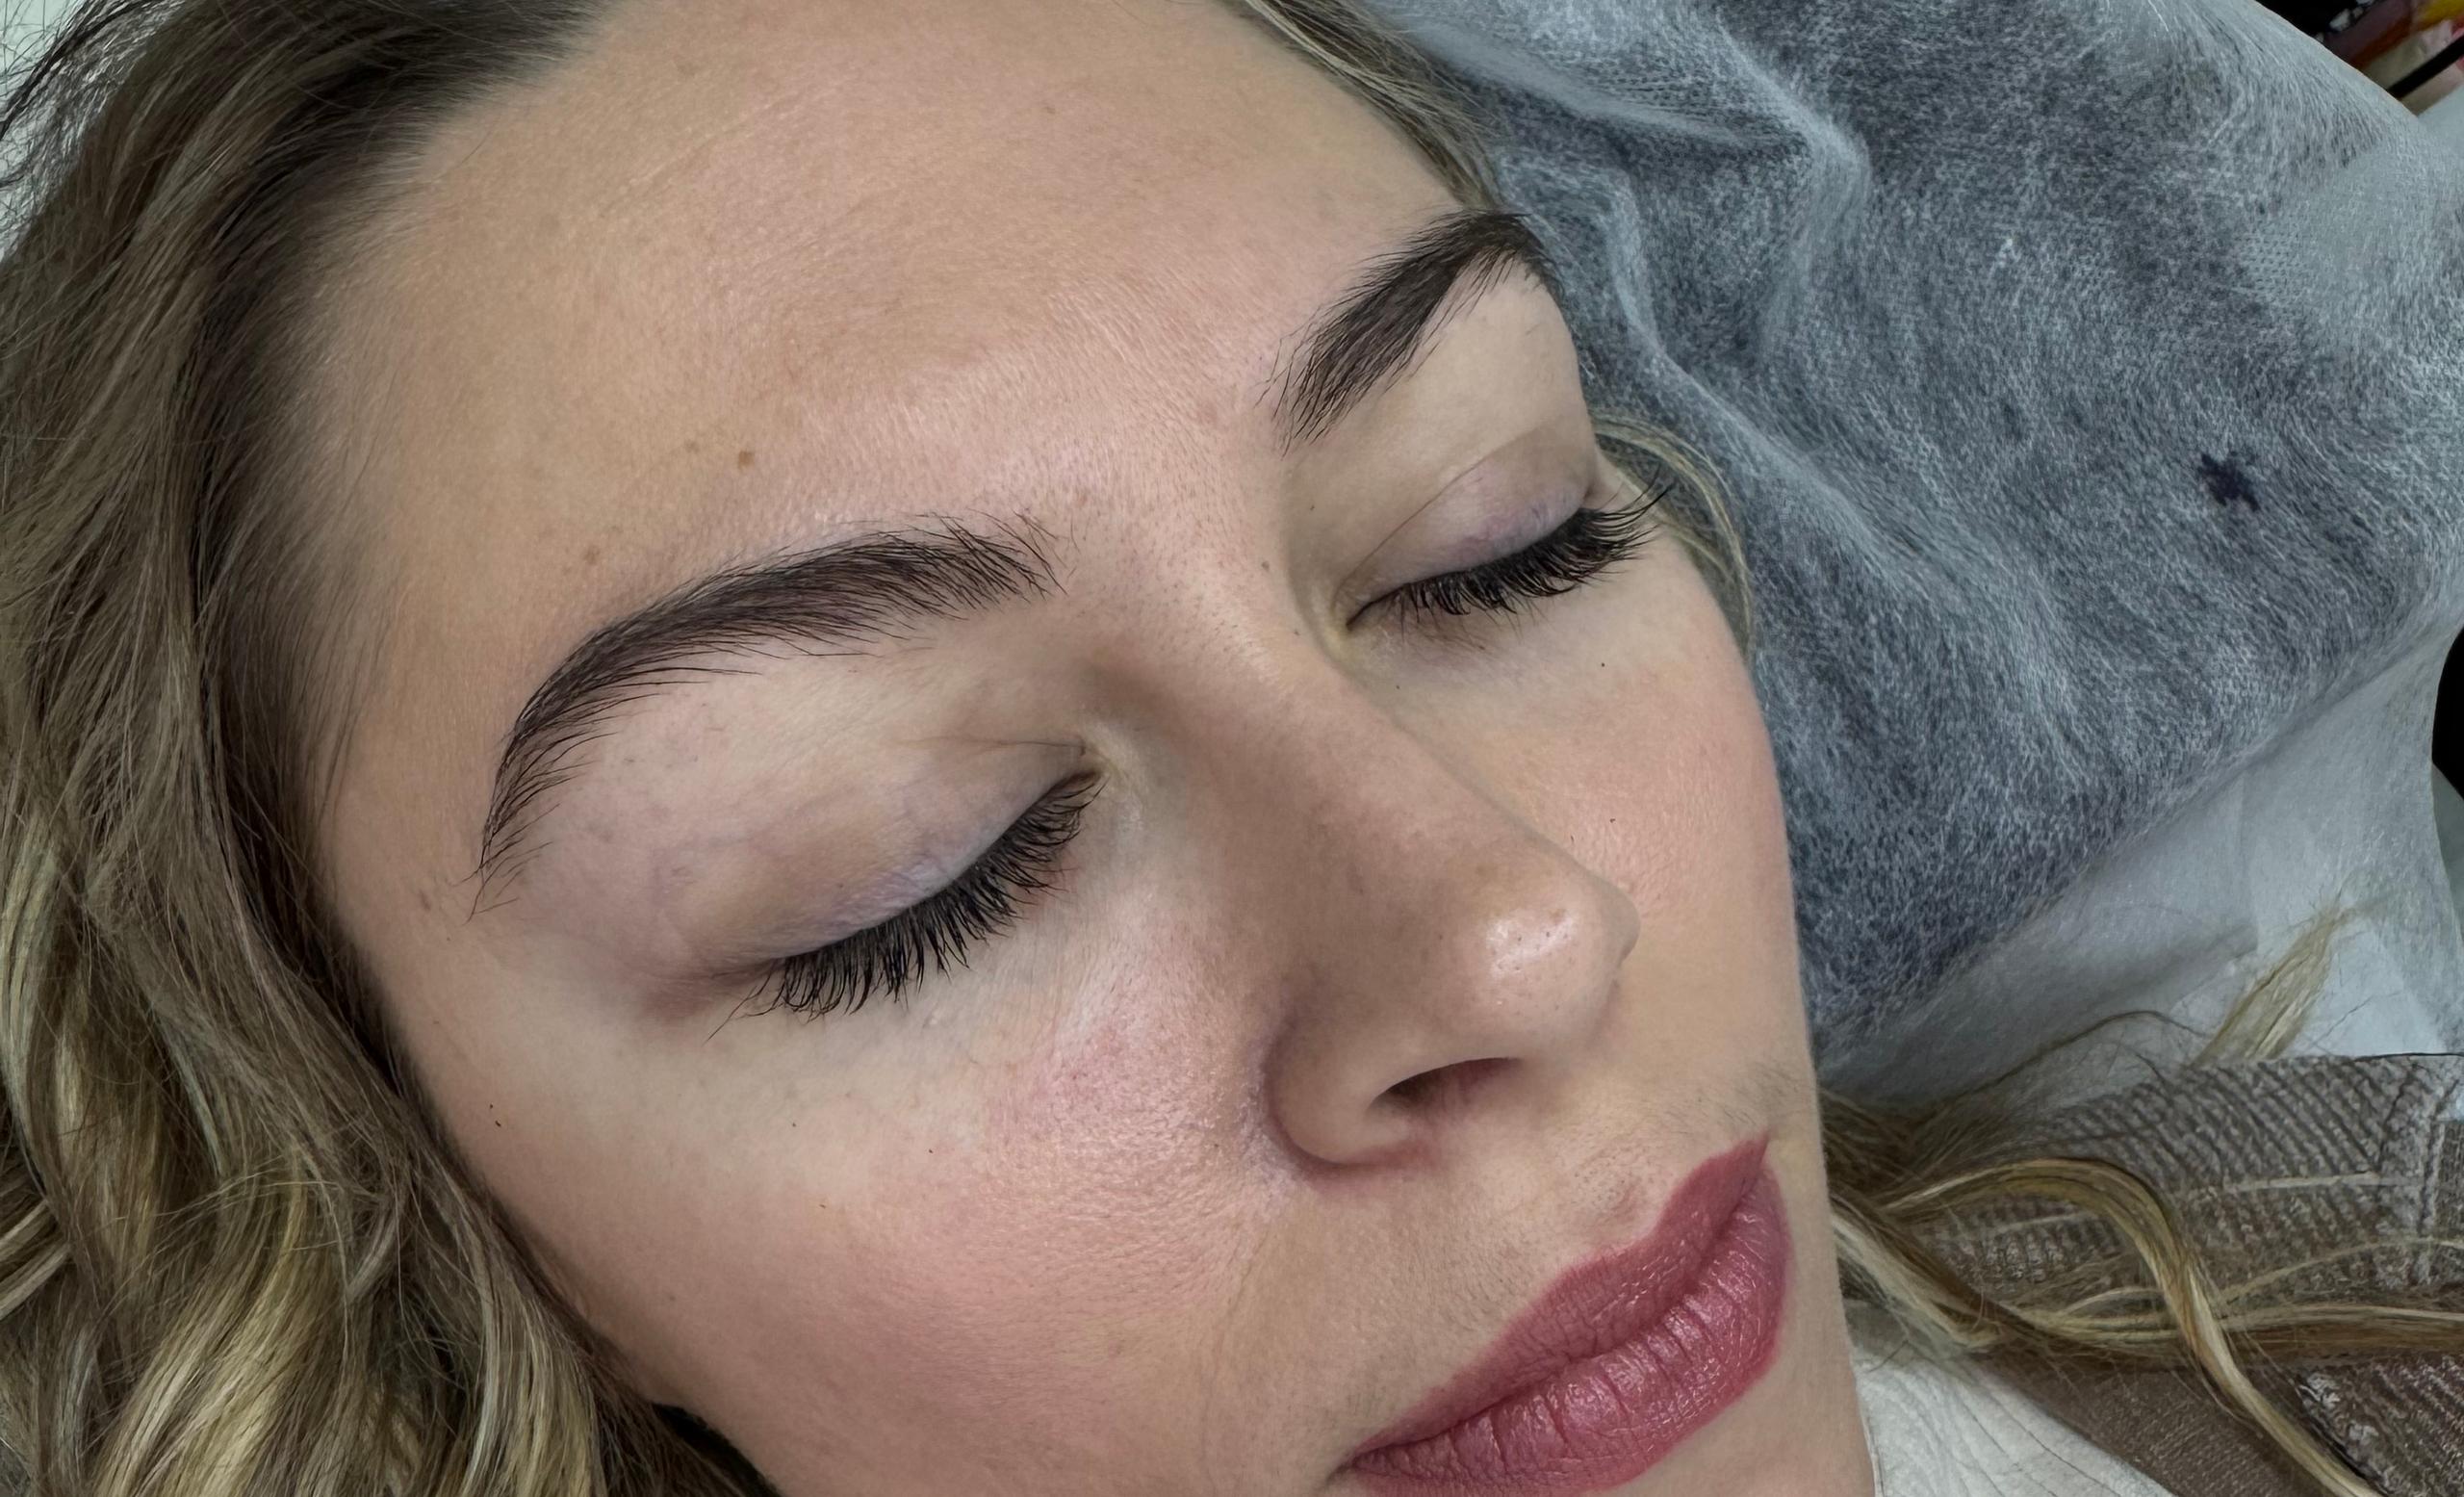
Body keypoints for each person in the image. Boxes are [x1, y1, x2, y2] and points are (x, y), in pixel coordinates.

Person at [0, 1, 2455, 1494]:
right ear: (430, 1192)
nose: (1512, 929)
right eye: (919, 873)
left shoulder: (2348, 1300)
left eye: (1495, 539)